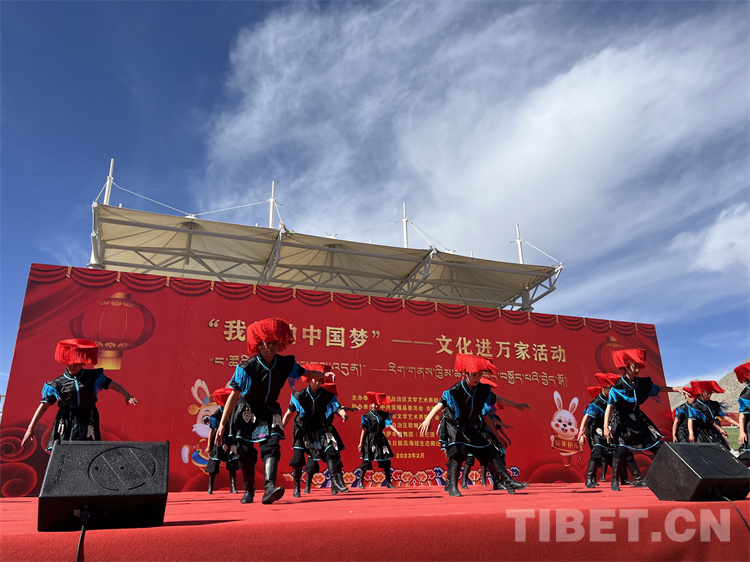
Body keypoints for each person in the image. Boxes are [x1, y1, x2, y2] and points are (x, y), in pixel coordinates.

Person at [214, 317, 324, 505]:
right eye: (268, 343)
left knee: (272, 444)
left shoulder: (285, 363)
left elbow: (305, 373)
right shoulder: (246, 368)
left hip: (270, 409)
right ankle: (248, 491)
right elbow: (234, 395)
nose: (271, 347)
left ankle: (269, 488)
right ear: (259, 344)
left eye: (275, 343)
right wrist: (222, 424)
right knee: (245, 451)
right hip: (247, 410)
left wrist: (323, 375)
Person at [418, 354, 529, 497]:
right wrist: (428, 419)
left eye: (480, 375)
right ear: (466, 374)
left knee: (490, 450)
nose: (477, 378)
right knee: (457, 453)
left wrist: (516, 405)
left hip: (470, 426)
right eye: (474, 375)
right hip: (454, 425)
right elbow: (441, 404)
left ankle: (509, 481)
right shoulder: (456, 389)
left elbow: (497, 399)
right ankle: (453, 487)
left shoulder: (482, 389)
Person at [21, 339, 137, 451]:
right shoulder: (57, 383)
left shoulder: (93, 377)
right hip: (66, 421)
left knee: (88, 451)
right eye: (70, 364)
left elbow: (114, 385)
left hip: (88, 418)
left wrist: (127, 395)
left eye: (76, 363)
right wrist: (30, 428)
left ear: (82, 362)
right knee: (65, 452)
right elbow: (43, 406)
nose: (73, 366)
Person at [603, 348, 689, 491]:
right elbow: (609, 407)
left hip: (638, 419)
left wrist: (676, 389)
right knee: (621, 449)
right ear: (626, 366)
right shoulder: (617, 387)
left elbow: (659, 388)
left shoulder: (642, 383)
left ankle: (678, 476)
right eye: (634, 366)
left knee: (658, 446)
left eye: (639, 366)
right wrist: (606, 427)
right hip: (621, 421)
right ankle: (615, 480)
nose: (637, 369)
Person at [281, 364, 349, 497]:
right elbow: (289, 413)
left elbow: (337, 407)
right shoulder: (298, 396)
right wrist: (280, 429)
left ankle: (335, 482)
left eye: (320, 380)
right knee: (298, 457)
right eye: (315, 379)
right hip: (302, 429)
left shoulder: (327, 395)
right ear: (309, 379)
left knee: (331, 451)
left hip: (319, 428)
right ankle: (297, 486)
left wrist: (343, 414)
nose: (317, 383)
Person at [578, 374, 618, 488]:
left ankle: (623, 478)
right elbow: (586, 417)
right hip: (595, 430)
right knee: (597, 452)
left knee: (611, 453)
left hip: (605, 429)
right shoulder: (596, 402)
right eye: (610, 388)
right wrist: (581, 433)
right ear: (604, 388)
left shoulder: (611, 400)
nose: (612, 391)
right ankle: (589, 479)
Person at [355, 391, 402, 488]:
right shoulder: (366, 416)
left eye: (377, 404)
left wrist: (397, 432)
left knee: (386, 461)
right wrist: (361, 443)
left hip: (381, 439)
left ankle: (389, 482)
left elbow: (389, 424)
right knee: (366, 461)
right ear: (371, 404)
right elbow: (364, 431)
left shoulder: (383, 415)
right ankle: (360, 482)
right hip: (370, 440)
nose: (376, 406)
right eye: (374, 404)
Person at [686, 380, 740, 449]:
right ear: (701, 392)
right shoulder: (695, 406)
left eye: (711, 393)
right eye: (707, 393)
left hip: (712, 430)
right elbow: (690, 420)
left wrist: (738, 425)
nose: (709, 395)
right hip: (700, 432)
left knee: (721, 448)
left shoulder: (714, 404)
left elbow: (724, 417)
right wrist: (691, 434)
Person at [206, 388, 239, 494]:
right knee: (214, 463)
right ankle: (210, 487)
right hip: (218, 440)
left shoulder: (235, 413)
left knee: (232, 463)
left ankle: (233, 487)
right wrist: (209, 446)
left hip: (231, 440)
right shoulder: (216, 415)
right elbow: (211, 431)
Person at [735, 361, 750, 467]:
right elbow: (742, 414)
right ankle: (737, 472)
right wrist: (742, 432)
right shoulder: (747, 393)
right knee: (747, 456)